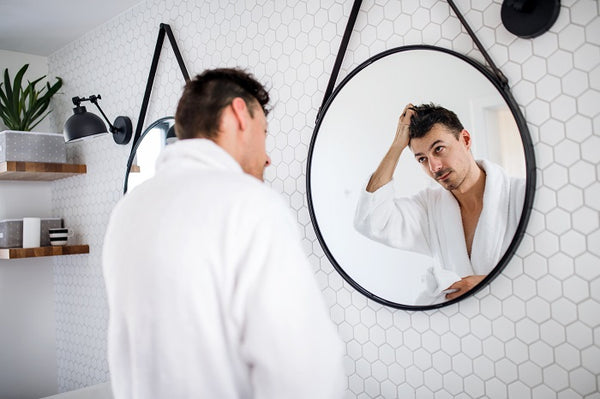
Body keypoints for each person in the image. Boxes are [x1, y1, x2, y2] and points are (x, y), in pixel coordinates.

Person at [102, 68, 345, 399]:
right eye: (264, 131)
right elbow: (306, 373)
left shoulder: (127, 212)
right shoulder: (250, 205)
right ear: (239, 114)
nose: (268, 156)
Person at [354, 103, 525, 302]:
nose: (434, 167)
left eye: (439, 149)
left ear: (466, 140)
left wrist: (488, 285)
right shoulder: (430, 208)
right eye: (422, 159)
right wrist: (397, 146)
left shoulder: (521, 195)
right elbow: (371, 220)